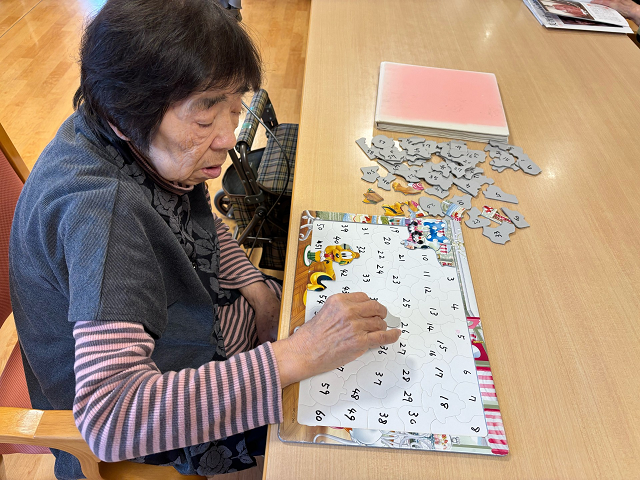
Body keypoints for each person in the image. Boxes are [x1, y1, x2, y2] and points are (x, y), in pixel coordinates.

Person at [8, 1, 401, 478]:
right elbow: (112, 419)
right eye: (204, 118)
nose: (228, 137)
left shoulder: (144, 141)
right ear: (125, 113)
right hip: (160, 424)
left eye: (233, 109)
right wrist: (297, 354)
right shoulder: (105, 215)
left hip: (210, 333)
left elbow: (197, 224)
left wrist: (258, 291)